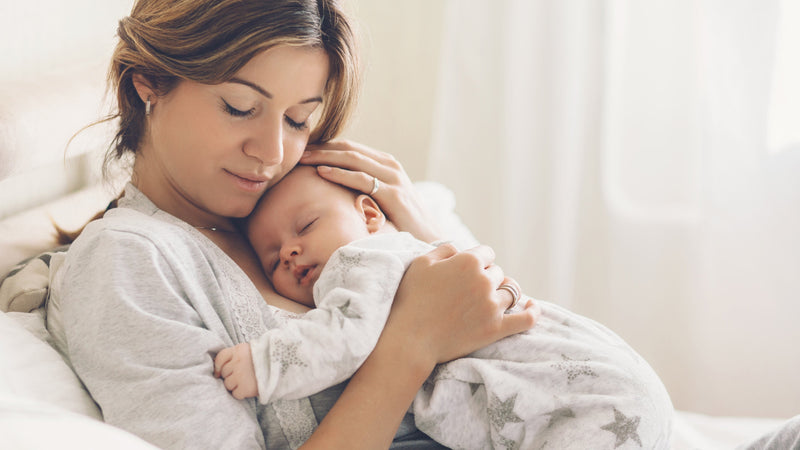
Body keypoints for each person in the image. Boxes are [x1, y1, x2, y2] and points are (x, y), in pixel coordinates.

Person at [44, 1, 539, 449]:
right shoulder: (127, 261)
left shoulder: (313, 205)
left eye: (299, 120)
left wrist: (419, 230)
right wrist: (411, 343)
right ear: (148, 79)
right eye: (239, 108)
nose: (272, 153)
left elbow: (512, 341)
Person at [214, 165, 675, 449]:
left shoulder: (361, 261)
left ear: (370, 215)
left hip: (586, 401)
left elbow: (342, 337)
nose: (291, 252)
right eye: (273, 257)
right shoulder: (413, 255)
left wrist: (264, 363)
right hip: (612, 392)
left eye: (306, 226)